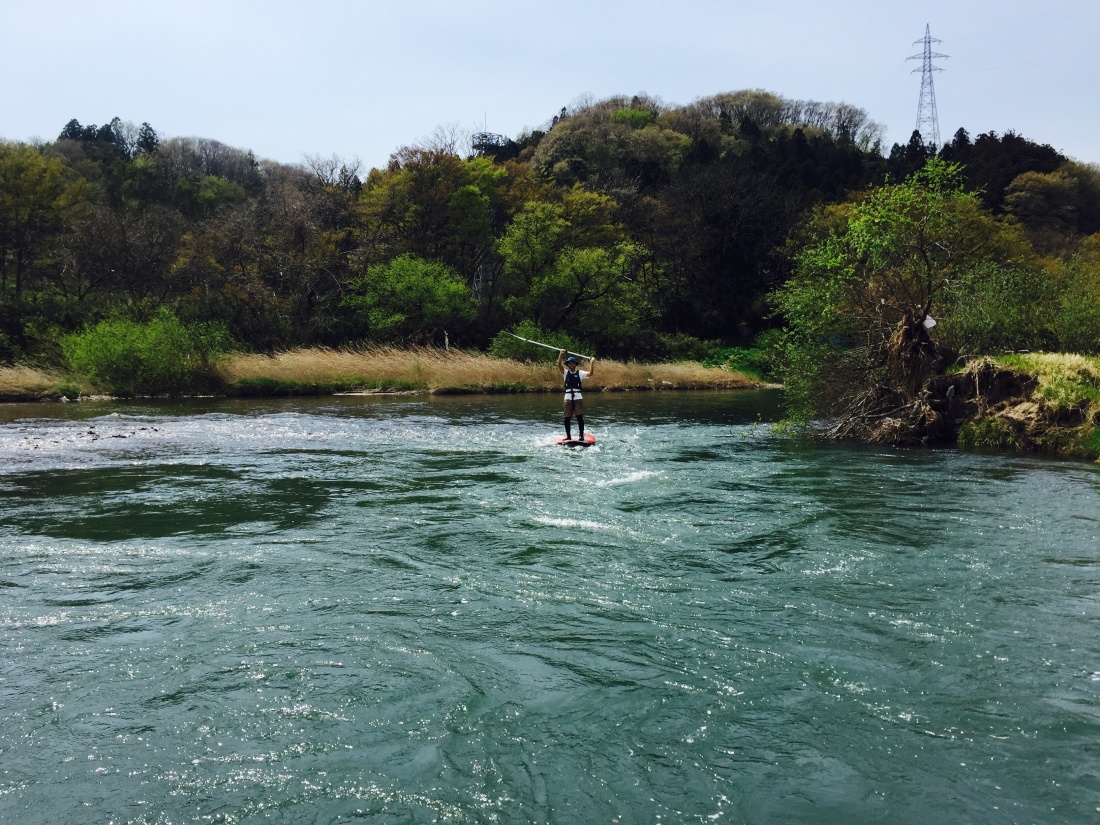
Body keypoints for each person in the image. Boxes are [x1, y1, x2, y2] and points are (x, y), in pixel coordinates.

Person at [557, 349, 595, 441]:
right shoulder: (565, 373)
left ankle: (581, 436)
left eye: (573, 363)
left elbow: (591, 373)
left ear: (575, 364)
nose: (571, 365)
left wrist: (592, 363)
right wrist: (560, 354)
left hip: (578, 397)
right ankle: (568, 436)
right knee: (567, 418)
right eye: (569, 364)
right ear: (568, 365)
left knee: (579, 417)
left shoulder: (580, 373)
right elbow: (559, 365)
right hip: (568, 398)